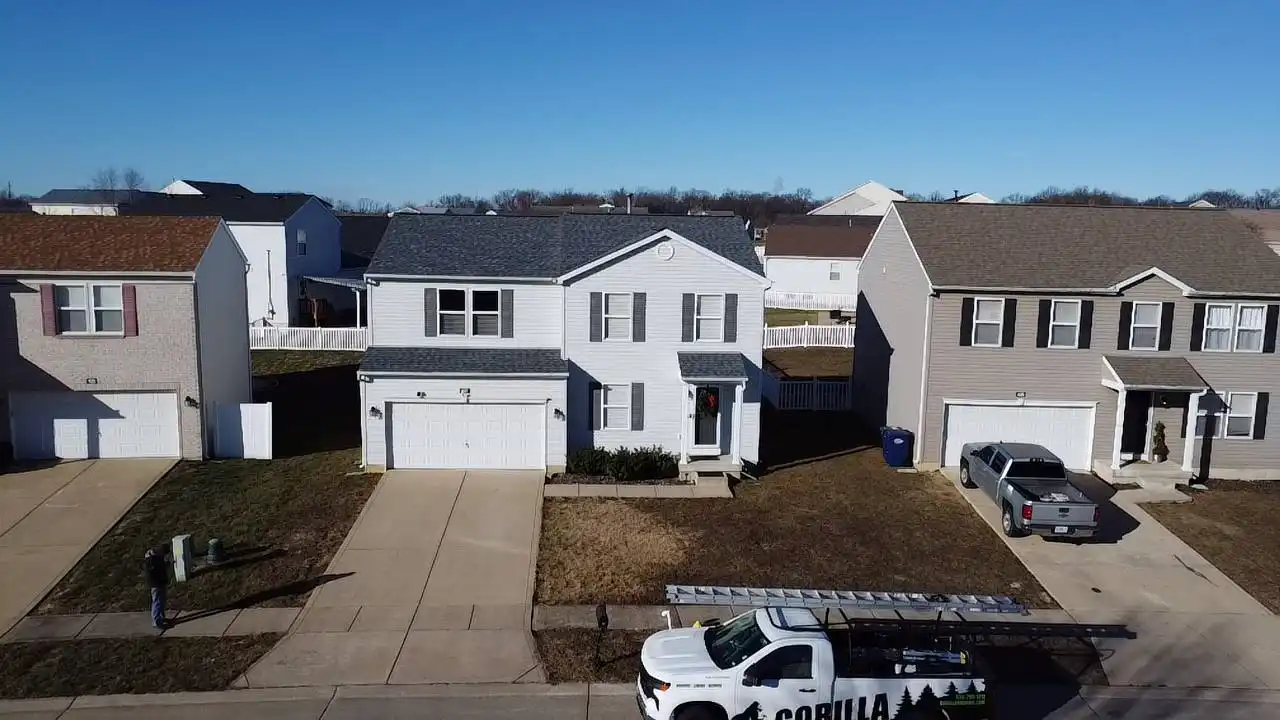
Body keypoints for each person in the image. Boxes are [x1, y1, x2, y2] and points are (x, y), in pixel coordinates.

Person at [144, 544, 170, 629]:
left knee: (161, 601)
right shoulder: (150, 560)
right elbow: (152, 572)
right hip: (156, 584)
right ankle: (156, 621)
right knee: (157, 602)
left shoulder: (158, 557)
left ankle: (161, 617)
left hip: (161, 582)